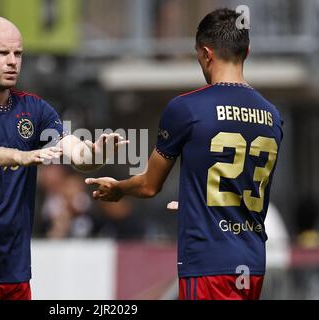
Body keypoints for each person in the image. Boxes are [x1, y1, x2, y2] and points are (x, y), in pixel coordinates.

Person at [86, 8, 284, 300]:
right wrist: (198, 201)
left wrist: (118, 189)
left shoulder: (187, 108)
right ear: (247, 51)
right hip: (252, 263)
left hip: (209, 262)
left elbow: (149, 185)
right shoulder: (272, 115)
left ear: (206, 53)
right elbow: (245, 185)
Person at [0, 16, 125, 300]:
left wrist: (95, 155)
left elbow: (74, 153)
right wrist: (19, 156)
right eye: (2, 53)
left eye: (17, 53)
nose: (12, 61)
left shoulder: (35, 109)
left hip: (14, 269)